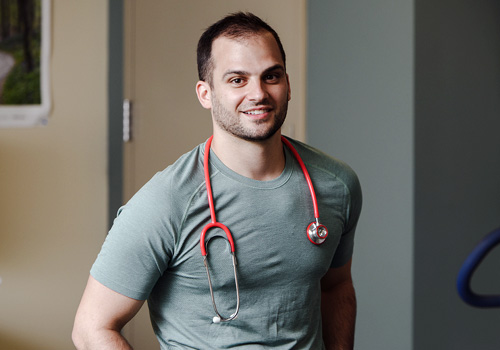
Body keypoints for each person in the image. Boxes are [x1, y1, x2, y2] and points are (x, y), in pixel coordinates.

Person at [72, 12, 362, 350]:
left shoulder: (336, 185)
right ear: (205, 93)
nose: (258, 94)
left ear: (287, 84)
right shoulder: (166, 202)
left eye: (271, 76)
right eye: (237, 80)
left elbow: (336, 286)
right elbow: (91, 328)